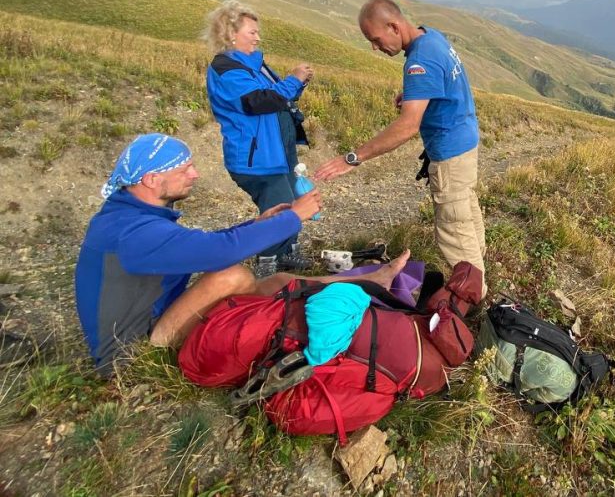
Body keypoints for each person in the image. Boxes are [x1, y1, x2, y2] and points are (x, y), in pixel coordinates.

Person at [74, 133, 410, 375]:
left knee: (275, 279)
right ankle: (266, 330)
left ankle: (369, 280)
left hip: (158, 321)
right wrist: (295, 216)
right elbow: (219, 253)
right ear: (151, 179)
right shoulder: (130, 234)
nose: (195, 175)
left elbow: (200, 246)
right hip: (132, 355)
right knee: (232, 276)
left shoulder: (132, 218)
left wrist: (258, 223)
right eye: (184, 170)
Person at [315, 0, 487, 295]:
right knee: (467, 215)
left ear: (394, 26)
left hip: (450, 153)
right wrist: (414, 94)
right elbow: (444, 78)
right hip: (466, 140)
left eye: (375, 39)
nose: (374, 47)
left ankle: (473, 299)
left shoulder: (419, 61)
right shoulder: (431, 37)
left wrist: (353, 158)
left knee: (454, 232)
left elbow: (407, 127)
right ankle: (479, 275)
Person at [204, 0, 314, 268]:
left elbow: (278, 99)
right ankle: (268, 267)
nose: (258, 37)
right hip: (257, 159)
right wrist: (293, 79)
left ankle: (288, 256)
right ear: (231, 34)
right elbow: (258, 101)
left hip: (277, 153)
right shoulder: (225, 68)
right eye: (252, 32)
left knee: (293, 204)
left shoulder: (254, 65)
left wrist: (297, 86)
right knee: (279, 212)